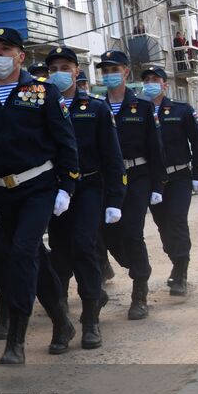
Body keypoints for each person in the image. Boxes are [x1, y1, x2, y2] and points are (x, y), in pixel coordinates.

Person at [0, 27, 79, 366]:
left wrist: (66, 187)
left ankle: (16, 339)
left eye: (6, 49)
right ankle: (61, 321)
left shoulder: (42, 92)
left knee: (23, 254)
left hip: (37, 188)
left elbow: (65, 142)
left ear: (21, 56)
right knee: (28, 258)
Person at [43, 47, 124, 350]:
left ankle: (90, 319)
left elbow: (112, 158)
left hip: (88, 188)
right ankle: (61, 322)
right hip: (53, 191)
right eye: (53, 68)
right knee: (59, 253)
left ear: (77, 72)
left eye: (65, 67)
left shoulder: (96, 108)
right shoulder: (40, 106)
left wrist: (115, 198)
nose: (59, 73)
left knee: (83, 245)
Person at [97, 50, 165, 320]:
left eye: (114, 69)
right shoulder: (95, 106)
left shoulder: (144, 107)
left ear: (126, 72)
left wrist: (158, 185)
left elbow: (155, 149)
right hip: (107, 180)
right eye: (105, 70)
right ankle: (134, 266)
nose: (109, 75)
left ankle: (140, 292)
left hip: (137, 177)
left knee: (132, 232)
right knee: (107, 234)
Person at [141, 66, 198, 297]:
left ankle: (180, 271)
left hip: (179, 176)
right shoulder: (139, 111)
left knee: (177, 219)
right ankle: (176, 259)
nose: (150, 83)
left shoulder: (182, 110)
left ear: (164, 84)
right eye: (147, 79)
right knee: (162, 224)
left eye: (155, 79)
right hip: (154, 180)